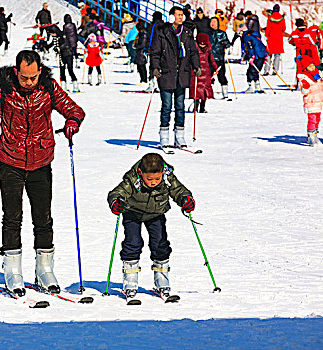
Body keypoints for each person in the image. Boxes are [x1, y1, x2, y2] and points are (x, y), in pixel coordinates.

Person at [0, 50, 85, 297]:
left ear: (39, 72)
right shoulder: (4, 88)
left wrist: (72, 122)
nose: (29, 82)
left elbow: (74, 109)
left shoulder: (49, 88)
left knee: (43, 217)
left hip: (41, 161)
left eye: (32, 77)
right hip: (10, 161)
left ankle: (44, 270)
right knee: (12, 217)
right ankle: (12, 271)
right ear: (16, 72)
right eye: (24, 77)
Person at [107, 153, 194, 298]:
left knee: (160, 244)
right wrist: (116, 201)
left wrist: (186, 199)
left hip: (156, 213)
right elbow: (116, 193)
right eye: (149, 179)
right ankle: (130, 283)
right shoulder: (133, 179)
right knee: (133, 243)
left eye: (157, 179)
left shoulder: (167, 178)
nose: (153, 182)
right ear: (141, 173)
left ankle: (162, 282)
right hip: (132, 213)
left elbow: (178, 190)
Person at [150, 6, 200, 149]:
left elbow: (193, 51)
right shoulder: (162, 32)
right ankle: (164, 136)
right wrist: (155, 67)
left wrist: (196, 66)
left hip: (182, 74)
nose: (180, 17)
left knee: (180, 106)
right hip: (166, 73)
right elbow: (155, 52)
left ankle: (180, 136)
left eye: (182, 15)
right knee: (166, 107)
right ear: (171, 17)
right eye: (178, 15)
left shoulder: (187, 32)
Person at [296, 56, 323, 146]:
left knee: (318, 119)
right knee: (312, 119)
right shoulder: (304, 78)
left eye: (313, 65)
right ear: (305, 67)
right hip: (311, 102)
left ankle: (315, 135)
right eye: (310, 66)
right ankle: (311, 136)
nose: (312, 68)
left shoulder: (317, 75)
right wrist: (305, 87)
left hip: (319, 101)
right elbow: (304, 92)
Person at [289, 19, 322, 85]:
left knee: (300, 67)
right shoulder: (308, 32)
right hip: (310, 51)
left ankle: (300, 82)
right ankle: (316, 80)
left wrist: (296, 43)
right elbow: (313, 41)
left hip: (299, 52)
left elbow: (290, 41)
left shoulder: (294, 33)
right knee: (313, 66)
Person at [47, 25, 79, 92]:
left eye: (52, 34)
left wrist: (58, 48)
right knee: (62, 71)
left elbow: (66, 44)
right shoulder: (56, 38)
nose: (52, 35)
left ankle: (75, 86)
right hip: (61, 55)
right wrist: (47, 46)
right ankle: (64, 86)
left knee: (70, 70)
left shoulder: (63, 35)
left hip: (68, 54)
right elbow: (53, 43)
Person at [191, 33, 217, 113]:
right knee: (197, 91)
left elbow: (211, 60)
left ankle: (202, 107)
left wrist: (215, 67)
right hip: (196, 72)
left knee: (205, 92)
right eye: (200, 44)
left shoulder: (208, 49)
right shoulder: (194, 49)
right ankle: (195, 107)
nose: (202, 46)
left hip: (206, 72)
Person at [208, 17, 231, 99]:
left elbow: (228, 44)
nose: (212, 23)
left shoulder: (222, 33)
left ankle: (225, 93)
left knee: (222, 76)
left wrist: (225, 43)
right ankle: (208, 94)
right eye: (211, 22)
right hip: (209, 58)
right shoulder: (207, 33)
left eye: (214, 22)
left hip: (219, 58)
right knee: (208, 76)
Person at [242, 29, 268, 93]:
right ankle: (258, 86)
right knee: (256, 71)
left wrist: (252, 56)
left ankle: (251, 87)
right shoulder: (255, 36)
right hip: (262, 54)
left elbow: (250, 46)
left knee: (250, 71)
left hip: (256, 55)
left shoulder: (247, 37)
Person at [263, 4, 285, 76]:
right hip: (279, 38)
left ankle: (267, 70)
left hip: (271, 37)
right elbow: (283, 29)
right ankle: (275, 70)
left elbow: (268, 28)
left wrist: (266, 36)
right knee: (277, 55)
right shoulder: (282, 18)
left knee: (269, 54)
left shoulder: (270, 18)